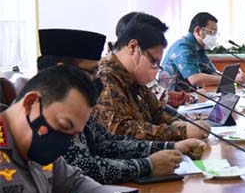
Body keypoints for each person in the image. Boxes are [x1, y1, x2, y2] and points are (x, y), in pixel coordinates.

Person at [0, 65, 142, 193]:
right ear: (30, 103)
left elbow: (74, 184)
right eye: (64, 126)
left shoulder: (38, 146)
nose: (64, 141)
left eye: (73, 134)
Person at [38, 28, 205, 184]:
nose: (96, 79)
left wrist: (172, 146)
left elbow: (108, 143)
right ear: (61, 71)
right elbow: (84, 168)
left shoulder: (73, 105)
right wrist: (146, 165)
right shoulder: (44, 112)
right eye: (90, 72)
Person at [93, 16, 209, 141]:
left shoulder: (133, 78)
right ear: (133, 47)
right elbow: (120, 130)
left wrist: (178, 123)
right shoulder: (105, 78)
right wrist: (180, 132)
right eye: (153, 62)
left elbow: (156, 111)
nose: (155, 69)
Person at [163, 12, 245, 91]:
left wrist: (232, 76)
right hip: (174, 101)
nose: (214, 37)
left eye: (215, 33)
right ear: (197, 31)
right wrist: (230, 79)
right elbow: (195, 79)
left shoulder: (199, 47)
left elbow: (212, 73)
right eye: (211, 32)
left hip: (192, 98)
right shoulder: (183, 47)